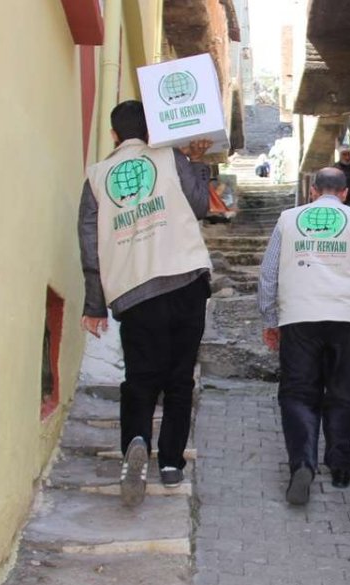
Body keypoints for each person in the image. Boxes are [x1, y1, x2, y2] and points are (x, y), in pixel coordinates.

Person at [78, 100, 215, 507]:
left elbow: (89, 244)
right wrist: (195, 162)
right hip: (185, 280)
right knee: (179, 377)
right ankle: (171, 462)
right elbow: (199, 206)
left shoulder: (97, 177)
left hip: (134, 291)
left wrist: (95, 304)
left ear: (114, 135)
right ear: (152, 131)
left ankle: (135, 445)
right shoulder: (170, 157)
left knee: (140, 378)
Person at [257, 167, 350, 505]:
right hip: (346, 319)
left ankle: (303, 462)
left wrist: (270, 320)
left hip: (299, 318)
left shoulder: (288, 220)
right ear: (345, 193)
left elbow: (268, 273)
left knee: (298, 393)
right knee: (343, 392)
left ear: (313, 191)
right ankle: (341, 465)